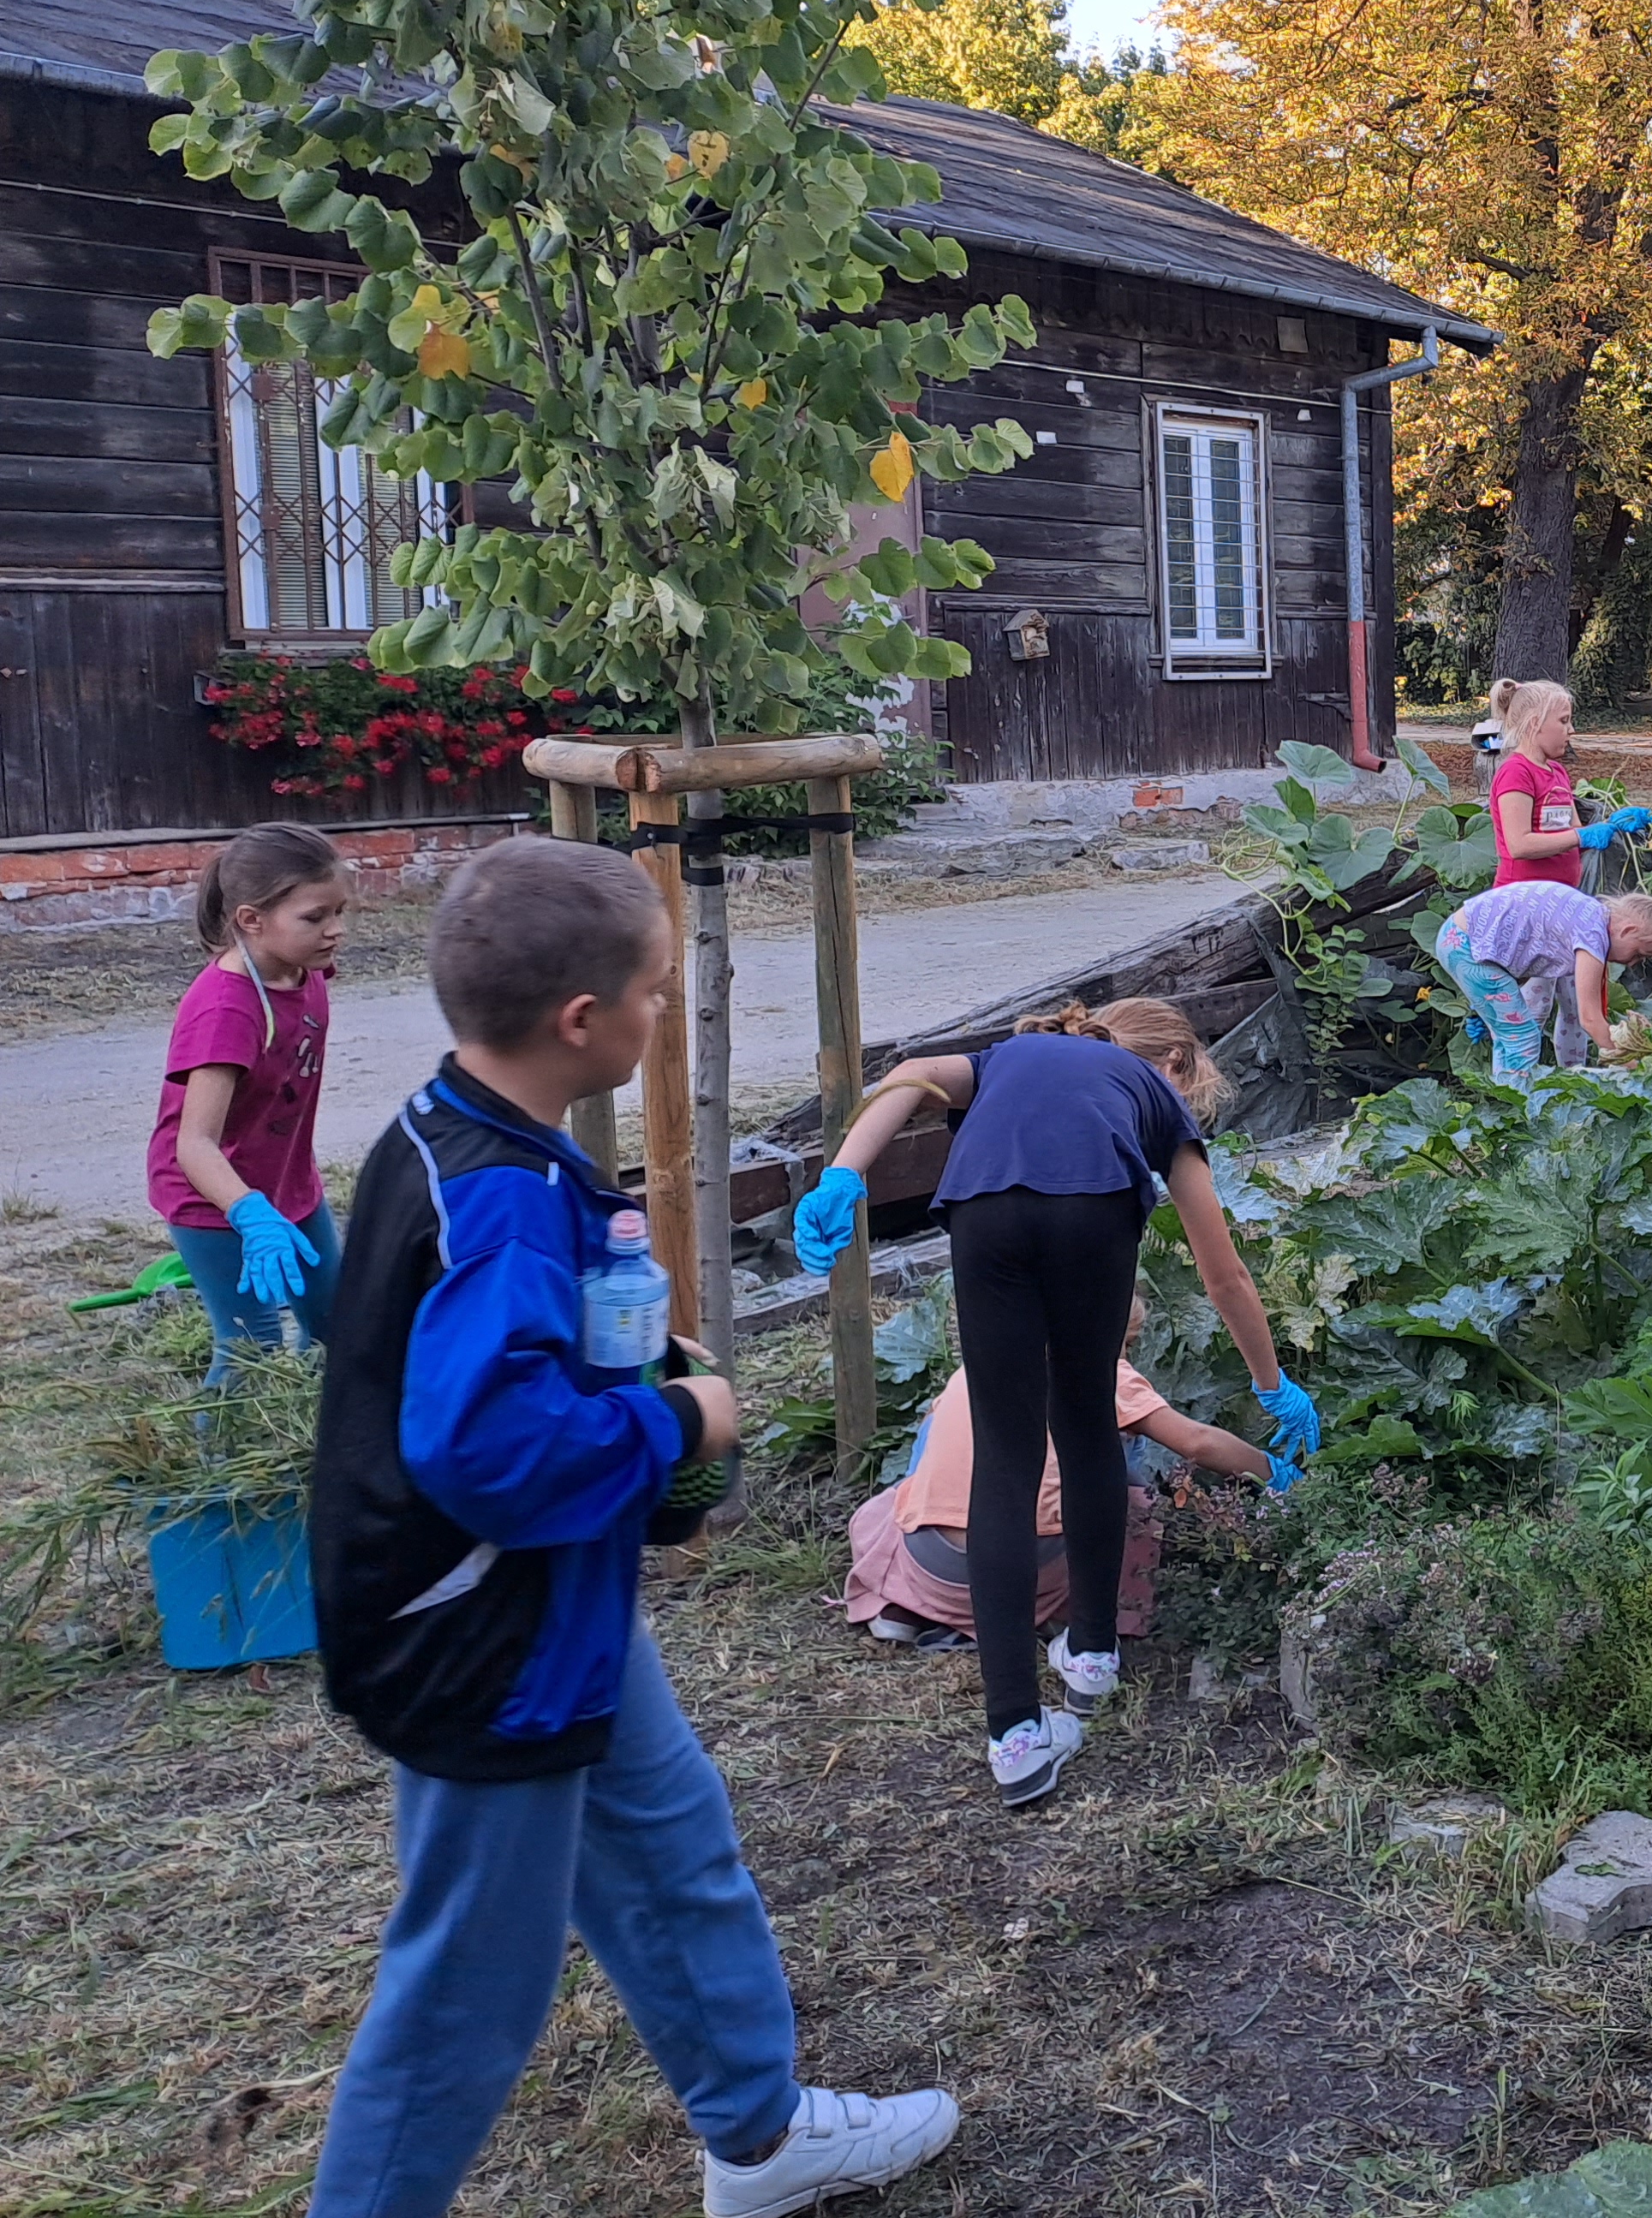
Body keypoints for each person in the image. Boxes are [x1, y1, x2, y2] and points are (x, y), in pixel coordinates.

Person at [308, 836, 957, 2218]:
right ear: (582, 1023)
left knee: (673, 1842)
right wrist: (680, 1426)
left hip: (562, 1616)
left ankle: (761, 2136)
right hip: (485, 1649)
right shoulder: (494, 1201)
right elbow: (485, 1449)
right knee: (464, 2007)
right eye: (658, 995)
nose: (668, 1014)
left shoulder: (470, 1139)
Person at [792, 998, 1320, 1806]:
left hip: (984, 1212)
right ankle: (1093, 1653)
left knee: (1005, 1459)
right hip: (1090, 1215)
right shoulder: (1156, 1100)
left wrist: (843, 1171)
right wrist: (1270, 1383)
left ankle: (1015, 1740)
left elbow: (904, 1078)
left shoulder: (1006, 1059)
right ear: (1173, 1064)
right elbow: (1225, 1274)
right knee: (1084, 1429)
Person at [845, 1305, 1287, 1650]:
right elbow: (1199, 1444)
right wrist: (1277, 1474)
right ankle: (1085, 1614)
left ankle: (902, 1608)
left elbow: (921, 1468)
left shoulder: (978, 1366)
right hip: (1033, 1567)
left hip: (933, 1563)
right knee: (1132, 1502)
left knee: (890, 1507)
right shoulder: (1105, 1372)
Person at [149, 822, 349, 1374]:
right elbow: (194, 1144)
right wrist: (250, 1214)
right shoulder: (226, 1010)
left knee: (338, 1327)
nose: (336, 931)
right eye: (315, 918)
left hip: (288, 1185)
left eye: (339, 912)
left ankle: (322, 1442)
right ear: (251, 921)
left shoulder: (298, 968)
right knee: (251, 1352)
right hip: (216, 1203)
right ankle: (222, 1459)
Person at [1435, 881, 1652, 1073]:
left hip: (1462, 938)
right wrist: (1635, 1066)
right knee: (1522, 1038)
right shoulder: (1593, 935)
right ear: (1628, 930)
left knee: (1509, 1038)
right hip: (1466, 945)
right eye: (1638, 954)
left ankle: (1506, 1103)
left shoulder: (1591, 915)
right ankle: (1517, 1116)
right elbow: (1590, 1019)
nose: (1633, 963)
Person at [1486, 677, 1652, 886]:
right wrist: (1581, 836)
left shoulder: (1557, 772)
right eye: (1564, 721)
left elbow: (1572, 837)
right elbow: (1519, 845)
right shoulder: (1516, 772)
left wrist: (1612, 826)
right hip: (1523, 897)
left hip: (1560, 895)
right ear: (1535, 723)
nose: (1571, 729)